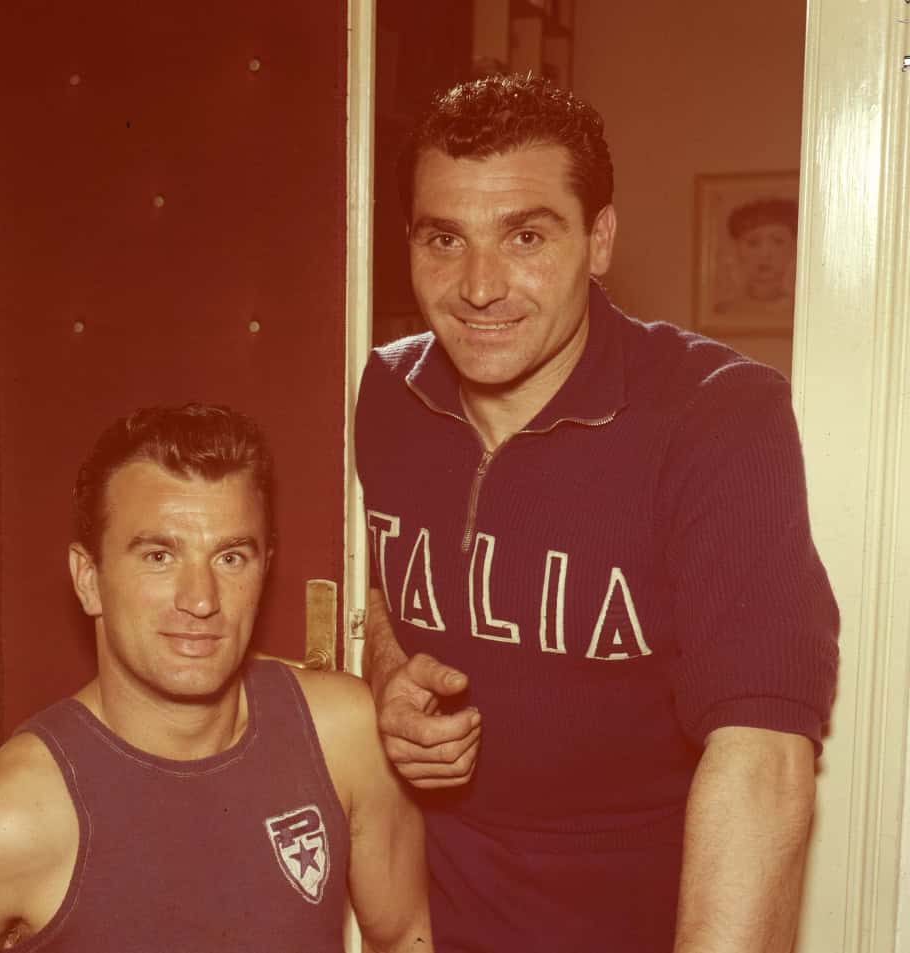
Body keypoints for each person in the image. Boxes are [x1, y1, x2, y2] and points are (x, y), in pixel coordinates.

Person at [355, 74, 838, 953]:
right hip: (429, 922)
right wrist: (389, 675)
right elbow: (385, 589)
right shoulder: (387, 390)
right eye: (444, 239)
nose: (479, 286)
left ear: (600, 239)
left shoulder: (719, 415)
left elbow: (764, 754)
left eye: (526, 236)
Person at [0, 403, 432, 953]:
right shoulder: (5, 821)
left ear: (264, 569)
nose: (201, 600)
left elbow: (406, 935)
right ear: (88, 579)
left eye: (230, 557)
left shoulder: (344, 735)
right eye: (159, 557)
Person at [714, 197, 798, 323]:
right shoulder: (723, 311)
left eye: (778, 241)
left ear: (793, 247)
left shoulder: (803, 312)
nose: (765, 254)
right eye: (753, 243)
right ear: (737, 249)